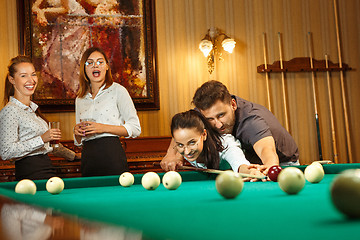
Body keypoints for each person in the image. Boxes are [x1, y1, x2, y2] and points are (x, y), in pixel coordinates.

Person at [161, 80, 299, 174]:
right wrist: (172, 154)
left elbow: (266, 150)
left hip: (283, 163)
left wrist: (270, 168)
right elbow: (186, 124)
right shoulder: (204, 112)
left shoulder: (251, 121)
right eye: (210, 119)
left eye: (221, 115)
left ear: (233, 105)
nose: (218, 124)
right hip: (251, 165)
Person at [0, 56, 76, 180]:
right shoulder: (10, 110)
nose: (31, 80)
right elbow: (6, 152)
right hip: (29, 173)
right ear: (12, 79)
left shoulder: (33, 110)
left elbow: (50, 146)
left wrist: (73, 156)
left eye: (33, 74)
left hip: (46, 168)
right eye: (24, 76)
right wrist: (42, 138)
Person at [73, 47, 141, 177]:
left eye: (100, 62)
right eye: (90, 63)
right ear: (84, 68)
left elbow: (135, 128)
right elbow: (79, 141)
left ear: (107, 66)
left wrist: (102, 128)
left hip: (111, 154)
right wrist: (76, 132)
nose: (95, 66)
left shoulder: (118, 91)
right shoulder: (80, 98)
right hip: (88, 157)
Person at [171, 110, 264, 177]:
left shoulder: (225, 145)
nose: (186, 152)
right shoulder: (184, 146)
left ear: (204, 135)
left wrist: (251, 172)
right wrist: (175, 158)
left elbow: (240, 164)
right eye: (180, 145)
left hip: (260, 165)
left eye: (192, 143)